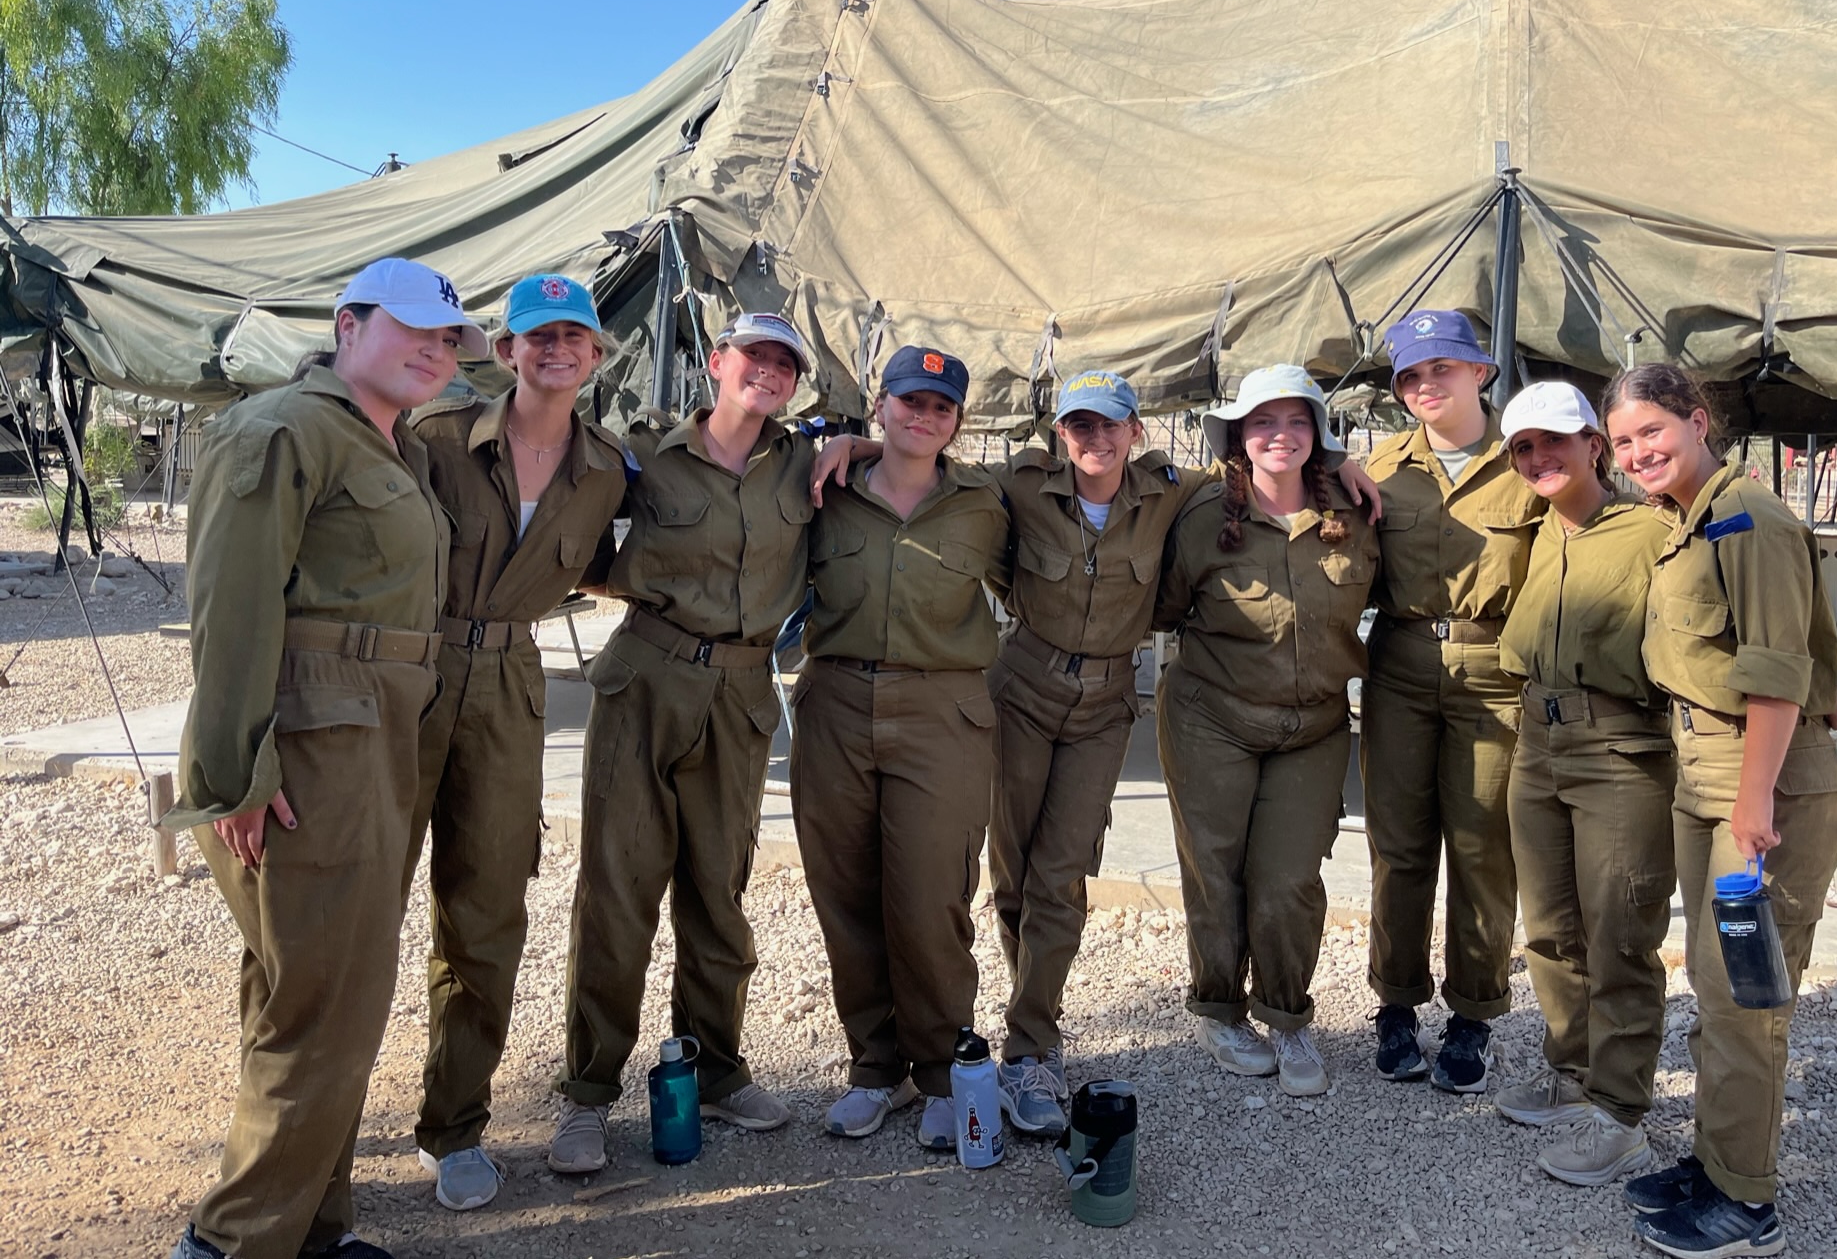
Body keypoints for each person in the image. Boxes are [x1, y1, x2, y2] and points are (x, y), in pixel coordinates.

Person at [810, 368, 1378, 1134]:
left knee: (1061, 874)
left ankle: (1033, 1047)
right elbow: (928, 461)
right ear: (1058, 435)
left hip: (1105, 705)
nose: (1095, 439)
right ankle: (947, 1048)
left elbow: (1262, 469)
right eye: (1079, 425)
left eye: (1111, 425)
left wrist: (1335, 463)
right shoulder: (1015, 484)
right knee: (1008, 875)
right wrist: (863, 439)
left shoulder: (1171, 493)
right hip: (1021, 690)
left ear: (1136, 433)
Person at [164, 257, 484, 1259]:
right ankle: (230, 1246)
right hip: (311, 745)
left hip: (369, 733)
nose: (435, 350)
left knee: (324, 990)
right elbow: (232, 612)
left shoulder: (378, 440)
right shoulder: (285, 429)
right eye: (415, 330)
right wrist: (234, 776)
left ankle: (310, 1228)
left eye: (448, 340)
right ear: (348, 325)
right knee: (323, 1007)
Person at [549, 312, 819, 1174]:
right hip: (647, 676)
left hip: (740, 691)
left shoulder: (807, 464)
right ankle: (589, 1093)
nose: (767, 372)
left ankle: (714, 1068)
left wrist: (851, 447)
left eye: (784, 363)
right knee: (618, 889)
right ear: (716, 363)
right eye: (753, 356)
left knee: (719, 887)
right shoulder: (642, 457)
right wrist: (631, 580)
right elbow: (576, 540)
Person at [1602, 363, 1837, 1259]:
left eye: (1651, 433)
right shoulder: (1690, 522)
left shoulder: (1749, 518)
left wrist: (1752, 806)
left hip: (1762, 788)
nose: (1637, 452)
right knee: (1713, 985)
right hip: (1709, 776)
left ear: (1698, 421)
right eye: (1623, 441)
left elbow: (1774, 671)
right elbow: (1774, 647)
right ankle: (1714, 1163)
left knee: (1746, 996)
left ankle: (1745, 1204)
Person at [402, 274, 628, 1211]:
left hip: (508, 687)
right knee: (354, 906)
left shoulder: (610, 469)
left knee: (487, 910)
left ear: (598, 355)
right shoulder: (435, 442)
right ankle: (315, 1135)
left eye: (575, 336)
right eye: (539, 336)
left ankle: (454, 1127)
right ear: (506, 352)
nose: (557, 349)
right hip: (408, 674)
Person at [793, 345, 1012, 1151]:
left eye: (940, 408)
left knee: (930, 899)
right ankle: (872, 1068)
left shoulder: (987, 503)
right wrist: (835, 447)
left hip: (940, 709)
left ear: (957, 423)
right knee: (845, 892)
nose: (923, 418)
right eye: (909, 401)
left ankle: (940, 1069)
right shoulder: (824, 487)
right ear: (878, 406)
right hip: (837, 700)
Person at [1150, 365, 1380, 1097]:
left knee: (1287, 881)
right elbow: (1162, 607)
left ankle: (1285, 1015)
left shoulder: (1356, 508)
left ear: (1316, 435)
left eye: (1295, 421)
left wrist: (1354, 466)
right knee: (1213, 870)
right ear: (1237, 437)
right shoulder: (1199, 514)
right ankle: (1218, 1008)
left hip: (1311, 726)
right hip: (1210, 717)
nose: (1278, 435)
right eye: (1261, 422)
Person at [1491, 381, 1677, 1188]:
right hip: (1538, 736)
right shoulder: (1539, 533)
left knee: (1620, 933)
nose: (1539, 459)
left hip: (1617, 744)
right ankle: (1569, 1069)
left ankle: (1619, 1112)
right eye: (1523, 448)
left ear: (1593, 446)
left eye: (1555, 442)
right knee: (1550, 926)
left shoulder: (1650, 531)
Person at [1361, 309, 1546, 1093]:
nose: (1424, 385)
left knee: (1480, 850)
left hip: (1494, 665)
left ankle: (1473, 1015)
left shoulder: (1528, 460)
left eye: (1440, 367)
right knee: (1399, 847)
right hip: (1401, 661)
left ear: (1480, 372)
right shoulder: (1377, 468)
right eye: (1410, 375)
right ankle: (1396, 1005)